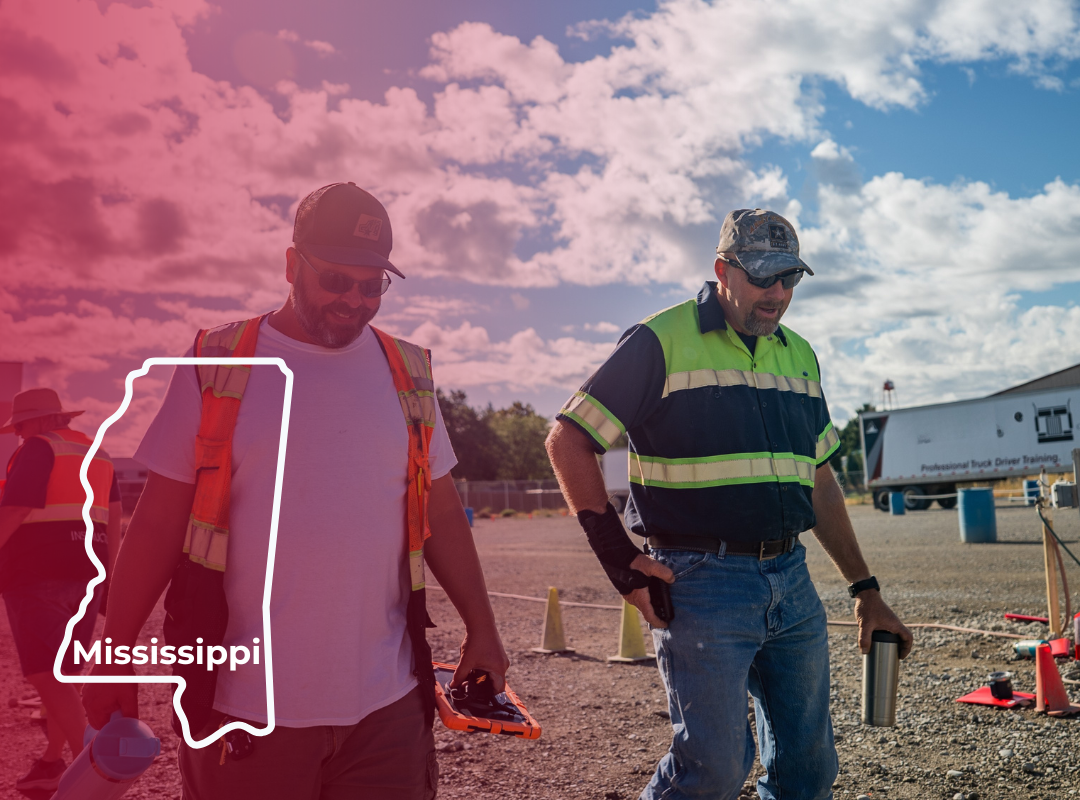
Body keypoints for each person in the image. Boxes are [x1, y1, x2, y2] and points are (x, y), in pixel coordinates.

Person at [82, 182, 509, 800]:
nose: (353, 301)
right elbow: (157, 522)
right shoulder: (217, 362)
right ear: (291, 265)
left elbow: (439, 506)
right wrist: (112, 652)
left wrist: (483, 628)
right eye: (336, 280)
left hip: (387, 713)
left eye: (371, 286)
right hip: (243, 713)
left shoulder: (408, 372)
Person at [546, 208, 913, 800]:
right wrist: (621, 561)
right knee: (712, 771)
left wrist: (865, 590)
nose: (778, 293)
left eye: (790, 278)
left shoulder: (798, 354)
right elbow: (569, 440)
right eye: (764, 277)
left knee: (809, 770)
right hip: (700, 583)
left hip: (791, 581)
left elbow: (818, 479)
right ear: (723, 269)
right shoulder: (659, 340)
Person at [0, 388, 122, 792]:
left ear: (36, 422)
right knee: (63, 674)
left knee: (45, 673)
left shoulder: (38, 448)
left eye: (19, 426)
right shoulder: (97, 452)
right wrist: (110, 573)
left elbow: (17, 508)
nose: (17, 434)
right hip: (88, 572)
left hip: (36, 572)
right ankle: (52, 763)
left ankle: (92, 762)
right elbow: (114, 519)